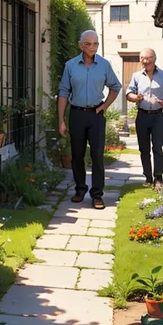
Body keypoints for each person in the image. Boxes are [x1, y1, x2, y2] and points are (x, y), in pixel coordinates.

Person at [58, 30, 122, 209]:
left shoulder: (104, 65)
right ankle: (80, 190)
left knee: (97, 155)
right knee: (77, 155)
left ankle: (97, 194)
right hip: (77, 114)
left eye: (95, 44)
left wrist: (105, 106)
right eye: (88, 44)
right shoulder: (70, 65)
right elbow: (63, 92)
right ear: (81, 45)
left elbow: (115, 87)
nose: (92, 47)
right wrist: (61, 120)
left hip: (96, 115)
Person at [126, 49, 163, 189]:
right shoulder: (136, 76)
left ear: (155, 58)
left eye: (148, 58)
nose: (145, 61)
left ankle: (158, 177)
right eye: (142, 58)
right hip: (142, 115)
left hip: (158, 116)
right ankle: (148, 177)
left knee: (157, 147)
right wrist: (135, 97)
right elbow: (129, 93)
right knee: (144, 149)